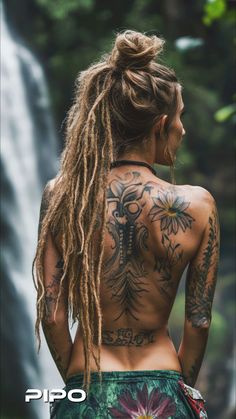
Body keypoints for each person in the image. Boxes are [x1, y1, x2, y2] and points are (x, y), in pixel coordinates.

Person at [32, 30, 220, 418]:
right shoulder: (197, 205)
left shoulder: (65, 195)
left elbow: (51, 312)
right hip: (163, 388)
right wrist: (176, 387)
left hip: (88, 383)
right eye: (180, 117)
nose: (182, 129)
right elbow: (199, 320)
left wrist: (76, 383)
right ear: (161, 123)